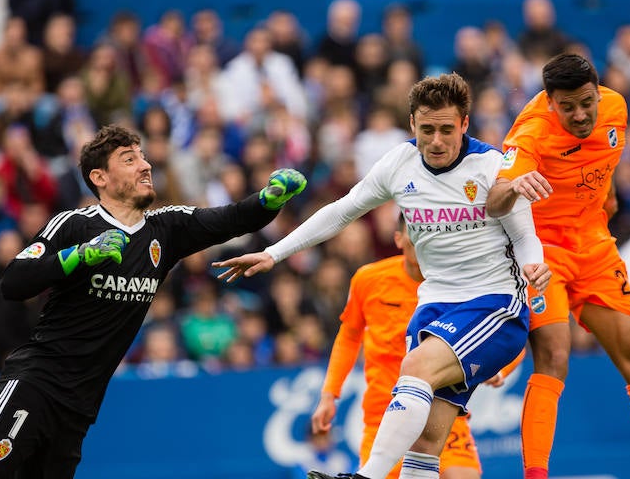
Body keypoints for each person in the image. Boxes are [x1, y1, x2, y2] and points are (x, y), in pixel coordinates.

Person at [214, 73, 550, 479]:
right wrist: (274, 252)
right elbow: (342, 210)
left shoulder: (492, 166)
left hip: (494, 304)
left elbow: (525, 237)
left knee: (413, 369)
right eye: (427, 130)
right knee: (425, 444)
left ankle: (367, 477)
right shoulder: (399, 163)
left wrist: (534, 266)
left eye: (447, 129)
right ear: (412, 124)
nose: (437, 141)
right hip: (436, 303)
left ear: (464, 123)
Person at [0, 125, 307, 479]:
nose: (145, 165)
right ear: (100, 177)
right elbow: (13, 281)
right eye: (129, 159)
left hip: (80, 406)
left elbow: (230, 219)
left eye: (143, 156)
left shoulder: (166, 229)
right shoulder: (75, 225)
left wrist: (268, 200)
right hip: (35, 383)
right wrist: (80, 256)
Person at [485, 53, 630, 479]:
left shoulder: (617, 107)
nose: (580, 114)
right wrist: (513, 186)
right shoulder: (531, 130)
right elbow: (494, 201)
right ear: (550, 101)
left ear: (597, 91)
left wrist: (606, 201)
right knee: (554, 355)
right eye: (567, 106)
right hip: (540, 250)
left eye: (586, 102)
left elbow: (600, 170)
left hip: (593, 244)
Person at [310, 214, 524, 479]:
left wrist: (500, 370)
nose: (423, 246)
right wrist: (329, 394)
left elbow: (506, 329)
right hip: (385, 415)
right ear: (399, 239)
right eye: (415, 239)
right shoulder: (369, 280)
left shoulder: (461, 283)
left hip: (445, 413)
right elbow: (349, 336)